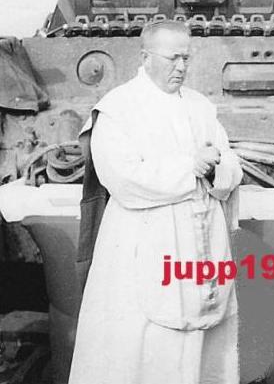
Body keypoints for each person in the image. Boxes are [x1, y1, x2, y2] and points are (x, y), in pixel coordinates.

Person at [68, 20, 243, 384]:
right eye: (172, 58)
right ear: (146, 57)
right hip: (145, 244)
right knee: (141, 350)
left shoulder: (200, 106)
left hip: (202, 245)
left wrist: (215, 171)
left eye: (186, 58)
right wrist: (190, 167)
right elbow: (122, 178)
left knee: (204, 354)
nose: (181, 67)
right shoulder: (119, 108)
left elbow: (229, 164)